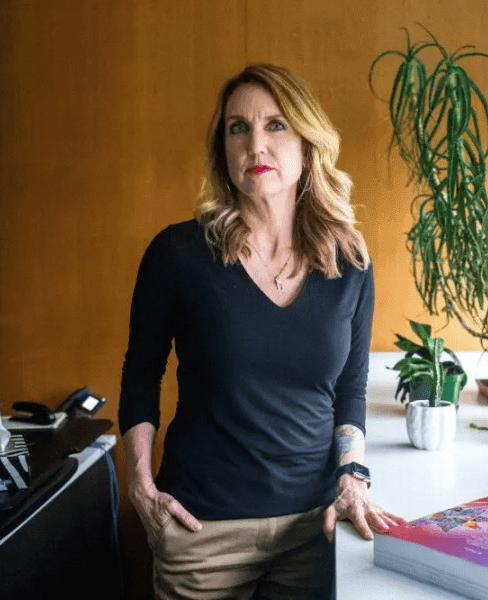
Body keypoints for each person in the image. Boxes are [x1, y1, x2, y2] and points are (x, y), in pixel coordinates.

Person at [119, 63, 404, 600]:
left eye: (275, 125)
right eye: (237, 128)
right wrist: (139, 484)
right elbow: (141, 374)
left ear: (307, 142)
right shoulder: (177, 253)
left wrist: (352, 478)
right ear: (223, 149)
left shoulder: (350, 262)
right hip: (202, 531)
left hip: (313, 531)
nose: (256, 144)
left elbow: (350, 391)